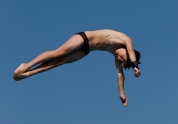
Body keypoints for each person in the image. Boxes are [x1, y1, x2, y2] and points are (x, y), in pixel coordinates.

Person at [13, 29, 141, 107]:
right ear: (130, 54)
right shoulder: (126, 40)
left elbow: (120, 74)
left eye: (121, 60)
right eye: (123, 58)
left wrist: (122, 94)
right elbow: (130, 50)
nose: (119, 58)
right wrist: (135, 66)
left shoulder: (116, 55)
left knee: (61, 61)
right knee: (59, 53)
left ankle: (29, 74)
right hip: (84, 38)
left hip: (87, 49)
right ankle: (27, 65)